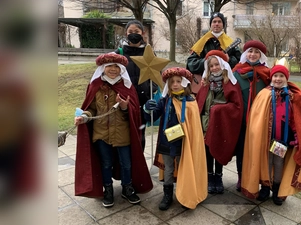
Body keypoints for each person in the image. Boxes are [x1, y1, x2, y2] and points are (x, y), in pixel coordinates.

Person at [74, 53, 153, 208]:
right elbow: (91, 108)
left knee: (126, 163)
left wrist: (124, 106)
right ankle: (107, 189)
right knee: (105, 163)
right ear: (103, 68)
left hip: (122, 134)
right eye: (109, 66)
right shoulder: (95, 86)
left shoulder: (126, 86)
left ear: (121, 69)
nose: (113, 69)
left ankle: (127, 188)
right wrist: (84, 117)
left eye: (116, 66)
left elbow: (133, 113)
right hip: (101, 133)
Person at [240, 64, 301, 205]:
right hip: (265, 139)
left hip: (282, 140)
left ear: (286, 78)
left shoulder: (292, 96)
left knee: (279, 164)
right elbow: (256, 117)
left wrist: (297, 136)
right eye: (275, 76)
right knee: (266, 162)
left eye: (281, 76)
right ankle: (265, 187)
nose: (278, 79)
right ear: (271, 77)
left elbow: (295, 118)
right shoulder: (264, 94)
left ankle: (277, 189)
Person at [143, 67, 207, 210]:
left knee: (184, 167)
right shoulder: (165, 100)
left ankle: (185, 193)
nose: (175, 84)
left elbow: (194, 127)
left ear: (185, 83)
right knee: (169, 169)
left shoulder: (191, 102)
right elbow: (152, 117)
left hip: (183, 143)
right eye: (172, 82)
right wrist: (148, 109)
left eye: (178, 81)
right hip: (167, 141)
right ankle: (167, 195)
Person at [196, 50, 243, 194]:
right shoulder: (205, 83)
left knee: (219, 149)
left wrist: (220, 110)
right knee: (208, 151)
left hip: (222, 124)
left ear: (223, 65)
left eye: (217, 65)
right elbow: (200, 102)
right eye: (211, 66)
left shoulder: (230, 82)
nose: (214, 68)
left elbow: (237, 106)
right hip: (206, 123)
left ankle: (219, 176)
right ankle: (210, 177)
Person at [232, 40, 271, 192]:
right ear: (245, 53)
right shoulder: (236, 71)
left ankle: (260, 180)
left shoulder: (267, 74)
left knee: (259, 150)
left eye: (256, 52)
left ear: (261, 55)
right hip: (241, 119)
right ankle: (242, 177)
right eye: (250, 51)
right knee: (241, 150)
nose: (253, 54)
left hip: (260, 120)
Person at [114, 20, 158, 151]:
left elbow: (156, 75)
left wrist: (151, 90)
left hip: (142, 101)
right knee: (124, 134)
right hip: (124, 101)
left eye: (137, 32)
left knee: (140, 134)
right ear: (126, 33)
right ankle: (126, 167)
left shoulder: (149, 52)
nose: (134, 34)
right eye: (131, 32)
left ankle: (139, 166)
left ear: (142, 33)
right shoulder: (119, 53)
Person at [186, 12, 241, 94]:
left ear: (223, 25)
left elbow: (240, 61)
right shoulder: (203, 42)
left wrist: (229, 60)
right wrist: (207, 62)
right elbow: (190, 64)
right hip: (205, 83)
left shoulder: (230, 42)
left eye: (219, 22)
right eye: (214, 21)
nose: (216, 24)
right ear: (211, 24)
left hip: (224, 84)